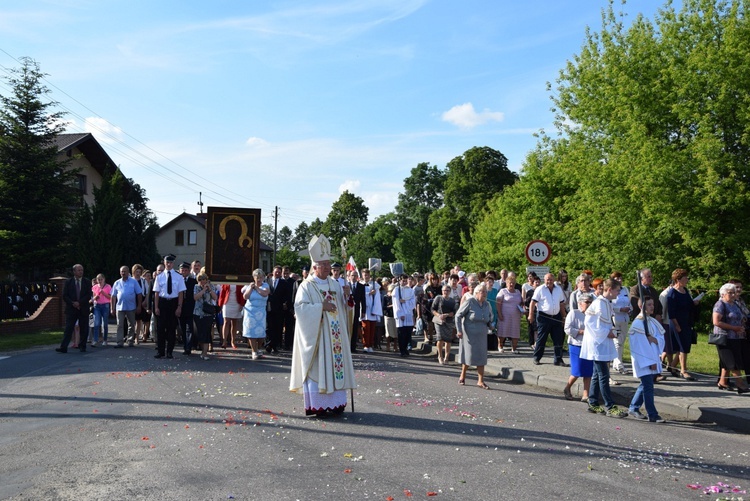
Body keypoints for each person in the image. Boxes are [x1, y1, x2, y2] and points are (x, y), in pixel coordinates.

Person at [290, 234, 356, 416]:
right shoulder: (306, 286)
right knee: (319, 369)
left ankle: (337, 404)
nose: (328, 267)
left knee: (336, 368)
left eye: (328, 264)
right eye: (324, 265)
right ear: (315, 266)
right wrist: (321, 307)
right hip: (318, 338)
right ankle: (318, 406)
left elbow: (344, 308)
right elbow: (300, 309)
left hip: (335, 339)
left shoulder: (335, 284)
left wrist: (347, 296)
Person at [582, 279, 628, 417]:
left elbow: (605, 322)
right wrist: (605, 332)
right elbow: (589, 322)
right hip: (597, 344)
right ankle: (610, 406)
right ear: (609, 290)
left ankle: (594, 402)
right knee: (604, 375)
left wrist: (610, 330)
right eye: (617, 290)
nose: (619, 293)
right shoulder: (599, 303)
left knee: (597, 375)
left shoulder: (606, 303)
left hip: (602, 343)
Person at [628, 296, 667, 422]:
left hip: (652, 359)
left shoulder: (651, 321)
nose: (652, 306)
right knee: (648, 387)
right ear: (641, 306)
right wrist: (650, 362)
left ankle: (633, 408)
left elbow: (659, 339)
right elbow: (640, 347)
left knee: (644, 385)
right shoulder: (638, 324)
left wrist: (655, 340)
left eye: (652, 304)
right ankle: (652, 414)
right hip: (644, 361)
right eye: (649, 304)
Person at [713, 283, 749, 394]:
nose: (733, 294)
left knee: (729, 361)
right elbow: (716, 322)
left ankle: (723, 382)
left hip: (736, 336)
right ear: (723, 293)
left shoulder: (735, 304)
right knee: (732, 361)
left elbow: (742, 316)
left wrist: (741, 326)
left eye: (734, 292)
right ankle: (740, 384)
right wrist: (734, 328)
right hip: (724, 337)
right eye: (730, 292)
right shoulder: (720, 304)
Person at [456, 283, 493, 389]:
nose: (485, 294)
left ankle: (480, 381)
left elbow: (488, 318)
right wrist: (459, 330)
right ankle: (463, 375)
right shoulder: (470, 302)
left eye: (486, 292)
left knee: (481, 356)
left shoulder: (487, 304)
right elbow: (458, 315)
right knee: (469, 355)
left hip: (482, 334)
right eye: (483, 292)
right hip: (469, 333)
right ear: (476, 293)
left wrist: (490, 325)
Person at [528, 273, 567, 366]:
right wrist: (531, 315)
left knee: (558, 339)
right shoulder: (540, 289)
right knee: (542, 338)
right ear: (544, 280)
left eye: (551, 279)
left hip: (556, 316)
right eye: (547, 279)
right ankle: (537, 357)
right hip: (543, 317)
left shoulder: (558, 289)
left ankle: (558, 359)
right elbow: (532, 303)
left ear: (553, 280)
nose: (549, 281)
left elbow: (561, 304)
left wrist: (564, 317)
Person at [153, 254, 186, 359]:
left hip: (173, 303)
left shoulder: (178, 276)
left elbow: (181, 293)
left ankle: (169, 352)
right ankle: (160, 351)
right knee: (160, 328)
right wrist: (156, 307)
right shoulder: (159, 277)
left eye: (171, 262)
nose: (169, 264)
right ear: (164, 263)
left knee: (171, 328)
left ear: (173, 263)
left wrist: (179, 307)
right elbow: (156, 293)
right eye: (167, 262)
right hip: (162, 303)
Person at [667, 268, 697, 380]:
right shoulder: (672, 293)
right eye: (685, 277)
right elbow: (671, 312)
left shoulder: (686, 291)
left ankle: (672, 366)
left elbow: (689, 305)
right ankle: (684, 370)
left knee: (685, 345)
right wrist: (677, 325)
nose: (687, 279)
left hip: (687, 321)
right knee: (683, 346)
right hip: (677, 322)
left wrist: (695, 303)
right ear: (678, 279)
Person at [563, 293, 594, 401]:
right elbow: (567, 329)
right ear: (580, 303)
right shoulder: (574, 313)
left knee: (588, 371)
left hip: (589, 345)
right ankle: (567, 387)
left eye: (591, 302)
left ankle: (586, 394)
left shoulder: (593, 315)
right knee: (577, 370)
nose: (589, 304)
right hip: (576, 345)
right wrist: (580, 332)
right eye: (587, 302)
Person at [57, 264, 92, 354]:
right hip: (71, 309)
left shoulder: (87, 282)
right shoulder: (69, 282)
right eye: (79, 270)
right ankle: (63, 347)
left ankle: (82, 346)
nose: (81, 272)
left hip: (83, 308)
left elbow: (88, 295)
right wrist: (73, 303)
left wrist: (79, 302)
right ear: (74, 271)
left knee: (84, 328)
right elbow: (65, 295)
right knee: (69, 328)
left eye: (82, 270)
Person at [110, 265, 143, 349]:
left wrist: (139, 306)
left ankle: (130, 340)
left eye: (125, 271)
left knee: (131, 324)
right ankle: (119, 342)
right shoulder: (117, 282)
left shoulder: (133, 282)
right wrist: (112, 308)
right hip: (120, 307)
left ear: (128, 272)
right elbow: (113, 296)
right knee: (119, 325)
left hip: (131, 307)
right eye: (122, 271)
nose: (123, 273)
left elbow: (139, 294)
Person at [242, 269, 270, 360]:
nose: (259, 279)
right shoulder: (248, 286)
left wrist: (257, 288)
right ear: (254, 278)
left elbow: (265, 294)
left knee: (261, 333)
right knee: (251, 333)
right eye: (257, 277)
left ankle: (258, 349)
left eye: (261, 277)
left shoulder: (265, 286)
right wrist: (250, 288)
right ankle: (254, 351)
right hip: (250, 311)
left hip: (261, 312)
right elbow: (245, 297)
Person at [265, 265, 291, 354]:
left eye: (279, 272)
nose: (277, 273)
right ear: (273, 272)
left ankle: (274, 345)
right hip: (268, 307)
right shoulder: (267, 281)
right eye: (276, 272)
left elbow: (287, 295)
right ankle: (268, 343)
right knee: (269, 327)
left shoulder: (284, 283)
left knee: (278, 327)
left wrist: (285, 303)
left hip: (279, 308)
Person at [192, 271, 217, 360]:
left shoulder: (211, 286)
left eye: (204, 279)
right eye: (200, 279)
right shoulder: (196, 287)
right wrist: (203, 290)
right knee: (199, 332)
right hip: (198, 313)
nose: (202, 281)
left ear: (207, 280)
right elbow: (195, 297)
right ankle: (202, 349)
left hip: (208, 313)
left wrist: (209, 289)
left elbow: (215, 297)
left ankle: (205, 353)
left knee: (206, 332)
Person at [496, 271, 523, 354]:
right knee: (503, 331)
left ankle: (514, 349)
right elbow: (498, 303)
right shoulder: (503, 291)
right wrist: (500, 314)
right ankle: (500, 346)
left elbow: (521, 302)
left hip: (515, 316)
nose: (511, 285)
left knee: (515, 332)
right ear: (507, 283)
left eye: (513, 283)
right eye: (510, 283)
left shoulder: (518, 292)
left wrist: (522, 309)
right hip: (504, 315)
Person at [610, 272, 631, 375]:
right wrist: (620, 309)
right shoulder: (611, 291)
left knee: (621, 341)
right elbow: (610, 305)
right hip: (615, 318)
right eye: (616, 278)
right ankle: (619, 365)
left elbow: (629, 302)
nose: (619, 280)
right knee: (617, 342)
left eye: (620, 278)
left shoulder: (625, 289)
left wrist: (629, 309)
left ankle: (617, 361)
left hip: (624, 319)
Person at [431, 284, 457, 364]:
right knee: (440, 338)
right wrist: (439, 315)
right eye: (444, 290)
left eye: (447, 290)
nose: (446, 292)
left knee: (448, 340)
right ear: (442, 291)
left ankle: (446, 357)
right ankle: (440, 356)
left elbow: (454, 311)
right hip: (439, 321)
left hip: (449, 321)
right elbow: (432, 309)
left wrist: (448, 315)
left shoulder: (452, 301)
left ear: (450, 291)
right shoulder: (438, 298)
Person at [358, 268, 382, 353]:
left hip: (372, 308)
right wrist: (369, 293)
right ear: (362, 276)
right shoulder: (360, 284)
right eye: (365, 275)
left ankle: (370, 345)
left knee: (372, 328)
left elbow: (377, 297)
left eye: (367, 275)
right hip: (364, 308)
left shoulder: (374, 284)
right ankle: (365, 345)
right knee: (365, 328)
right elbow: (359, 295)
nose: (366, 277)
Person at [393, 274, 416, 357]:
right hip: (401, 314)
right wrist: (400, 314)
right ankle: (402, 350)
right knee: (401, 333)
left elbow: (413, 302)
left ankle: (405, 348)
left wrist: (405, 302)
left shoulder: (410, 290)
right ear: (400, 281)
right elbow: (396, 303)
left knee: (408, 333)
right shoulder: (396, 290)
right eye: (403, 280)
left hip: (408, 313)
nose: (405, 282)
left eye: (406, 281)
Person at [218, 283, 244, 349]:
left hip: (236, 303)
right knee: (226, 322)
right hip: (227, 303)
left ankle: (233, 342)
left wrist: (241, 304)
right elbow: (222, 292)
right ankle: (224, 341)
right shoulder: (226, 282)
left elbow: (241, 293)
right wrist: (220, 304)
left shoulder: (239, 282)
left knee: (234, 322)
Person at [179, 262, 197, 354]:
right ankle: (185, 344)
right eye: (182, 270)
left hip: (190, 307)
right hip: (180, 307)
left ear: (189, 271)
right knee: (182, 328)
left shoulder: (193, 281)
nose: (184, 272)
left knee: (189, 328)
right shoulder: (177, 281)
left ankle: (188, 347)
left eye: (186, 270)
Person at [90, 273, 111, 347]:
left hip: (105, 305)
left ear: (104, 279)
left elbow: (110, 297)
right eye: (98, 279)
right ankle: (95, 340)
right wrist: (95, 297)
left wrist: (103, 293)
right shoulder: (95, 287)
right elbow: (93, 298)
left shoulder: (108, 286)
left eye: (101, 279)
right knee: (96, 323)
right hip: (97, 306)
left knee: (105, 324)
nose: (100, 281)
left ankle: (105, 340)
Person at [383, 283, 398, 352]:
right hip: (388, 315)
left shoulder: (396, 297)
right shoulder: (385, 297)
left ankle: (395, 346)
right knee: (388, 332)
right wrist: (390, 306)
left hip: (395, 316)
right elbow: (383, 307)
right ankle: (388, 345)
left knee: (395, 332)